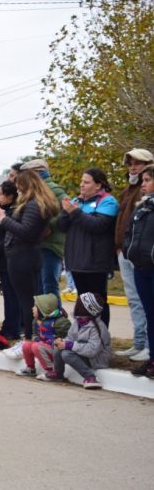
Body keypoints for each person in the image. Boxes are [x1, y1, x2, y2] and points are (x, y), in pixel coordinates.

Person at [0, 170, 59, 343]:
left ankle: (29, 339)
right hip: (25, 255)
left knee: (27, 301)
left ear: (25, 185)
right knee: (29, 300)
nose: (16, 189)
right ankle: (33, 337)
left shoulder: (33, 204)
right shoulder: (37, 203)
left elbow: (26, 232)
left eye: (18, 184)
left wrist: (3, 219)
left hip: (23, 256)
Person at [57, 168, 119, 327]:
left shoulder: (108, 201)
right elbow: (61, 226)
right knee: (83, 301)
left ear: (98, 185)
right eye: (81, 182)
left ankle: (101, 338)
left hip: (95, 262)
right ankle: (85, 336)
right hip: (77, 261)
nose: (81, 185)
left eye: (86, 182)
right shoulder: (77, 201)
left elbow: (98, 225)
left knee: (98, 301)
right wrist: (66, 212)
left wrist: (75, 212)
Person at [114, 149, 154, 361]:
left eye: (138, 163)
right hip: (127, 250)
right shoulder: (130, 188)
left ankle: (148, 344)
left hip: (142, 254)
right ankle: (139, 342)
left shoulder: (145, 191)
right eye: (130, 163)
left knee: (144, 301)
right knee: (134, 300)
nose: (133, 167)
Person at [20, 158, 67, 304]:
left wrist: (44, 225)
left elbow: (65, 214)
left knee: (49, 288)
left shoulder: (54, 190)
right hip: (37, 245)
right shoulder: (34, 191)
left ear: (38, 173)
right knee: (40, 288)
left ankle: (55, 324)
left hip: (50, 245)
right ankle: (43, 323)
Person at [124, 164, 154, 377]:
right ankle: (152, 359)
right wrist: (128, 251)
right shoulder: (142, 207)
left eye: (147, 180)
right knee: (150, 315)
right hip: (140, 267)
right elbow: (129, 232)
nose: (142, 184)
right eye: (142, 180)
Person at [47, 292, 112, 390]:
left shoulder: (98, 328)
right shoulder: (78, 321)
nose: (75, 306)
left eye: (78, 304)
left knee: (66, 354)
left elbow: (92, 350)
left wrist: (70, 345)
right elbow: (70, 338)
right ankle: (58, 373)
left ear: (85, 308)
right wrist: (62, 342)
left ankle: (91, 377)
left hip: (97, 359)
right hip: (84, 353)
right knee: (59, 347)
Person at [0, 181, 20, 339]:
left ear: (10, 196)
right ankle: (9, 326)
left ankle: (12, 329)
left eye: (0, 194)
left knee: (12, 295)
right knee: (8, 295)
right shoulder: (3, 210)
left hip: (9, 258)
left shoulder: (12, 213)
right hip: (3, 259)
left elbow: (6, 236)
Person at [15, 293, 69, 376]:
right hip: (44, 347)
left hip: (56, 351)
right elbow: (35, 335)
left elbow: (66, 340)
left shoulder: (60, 321)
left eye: (35, 307)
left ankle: (51, 370)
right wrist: (36, 338)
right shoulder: (37, 321)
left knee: (36, 346)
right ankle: (30, 368)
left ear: (43, 309)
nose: (32, 308)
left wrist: (52, 341)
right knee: (26, 345)